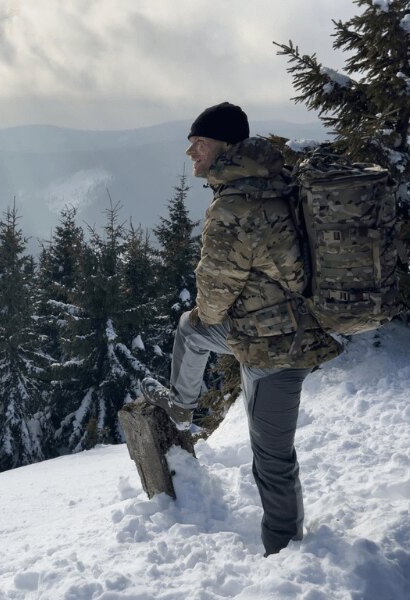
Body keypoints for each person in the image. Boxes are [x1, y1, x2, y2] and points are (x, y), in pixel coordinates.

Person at [142, 102, 342, 556]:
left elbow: (213, 299)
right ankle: (181, 410)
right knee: (191, 331)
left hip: (277, 348)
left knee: (272, 459)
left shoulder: (234, 205)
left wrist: (210, 311)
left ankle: (285, 554)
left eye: (199, 142)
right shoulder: (273, 182)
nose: (191, 152)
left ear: (225, 146)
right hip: (271, 331)